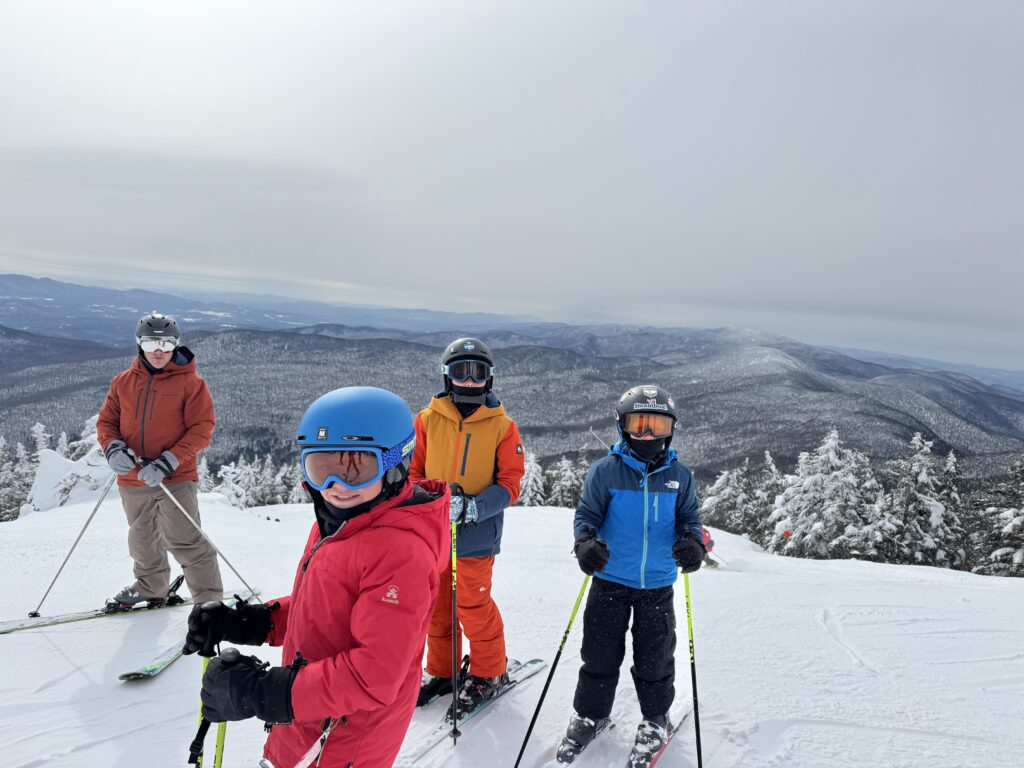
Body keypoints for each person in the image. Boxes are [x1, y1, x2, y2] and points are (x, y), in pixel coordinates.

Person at [183, 386, 450, 768]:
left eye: (357, 468)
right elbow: (326, 609)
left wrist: (264, 692)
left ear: (396, 464)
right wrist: (255, 622)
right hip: (311, 717)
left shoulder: (401, 553)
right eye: (321, 468)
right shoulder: (342, 520)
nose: (336, 486)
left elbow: (374, 675)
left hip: (344, 739)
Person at [559, 385, 704, 764]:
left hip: (656, 584)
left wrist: (693, 543)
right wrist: (584, 543)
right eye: (639, 425)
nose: (648, 435)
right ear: (622, 427)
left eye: (656, 426)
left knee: (655, 658)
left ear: (670, 429)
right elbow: (586, 516)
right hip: (609, 579)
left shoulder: (679, 476)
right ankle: (591, 713)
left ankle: (655, 718)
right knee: (599, 653)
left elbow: (690, 520)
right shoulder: (605, 472)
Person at [410, 337, 526, 718]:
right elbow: (414, 471)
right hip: (434, 534)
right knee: (438, 607)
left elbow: (510, 483)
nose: (471, 381)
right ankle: (443, 671)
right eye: (462, 371)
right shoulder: (427, 420)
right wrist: (427, 501)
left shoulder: (502, 427)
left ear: (490, 379)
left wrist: (474, 507)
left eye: (479, 373)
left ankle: (489, 671)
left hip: (476, 536)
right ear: (448, 376)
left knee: (473, 606)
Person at [97, 312, 223, 608]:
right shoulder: (123, 382)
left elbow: (202, 430)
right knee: (142, 541)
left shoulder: (191, 384)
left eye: (166, 344)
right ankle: (151, 587)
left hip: (175, 478)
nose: (159, 350)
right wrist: (112, 449)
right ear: (140, 343)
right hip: (133, 478)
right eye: (152, 342)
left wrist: (168, 462)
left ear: (175, 345)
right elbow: (106, 422)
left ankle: (209, 602)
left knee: (186, 540)